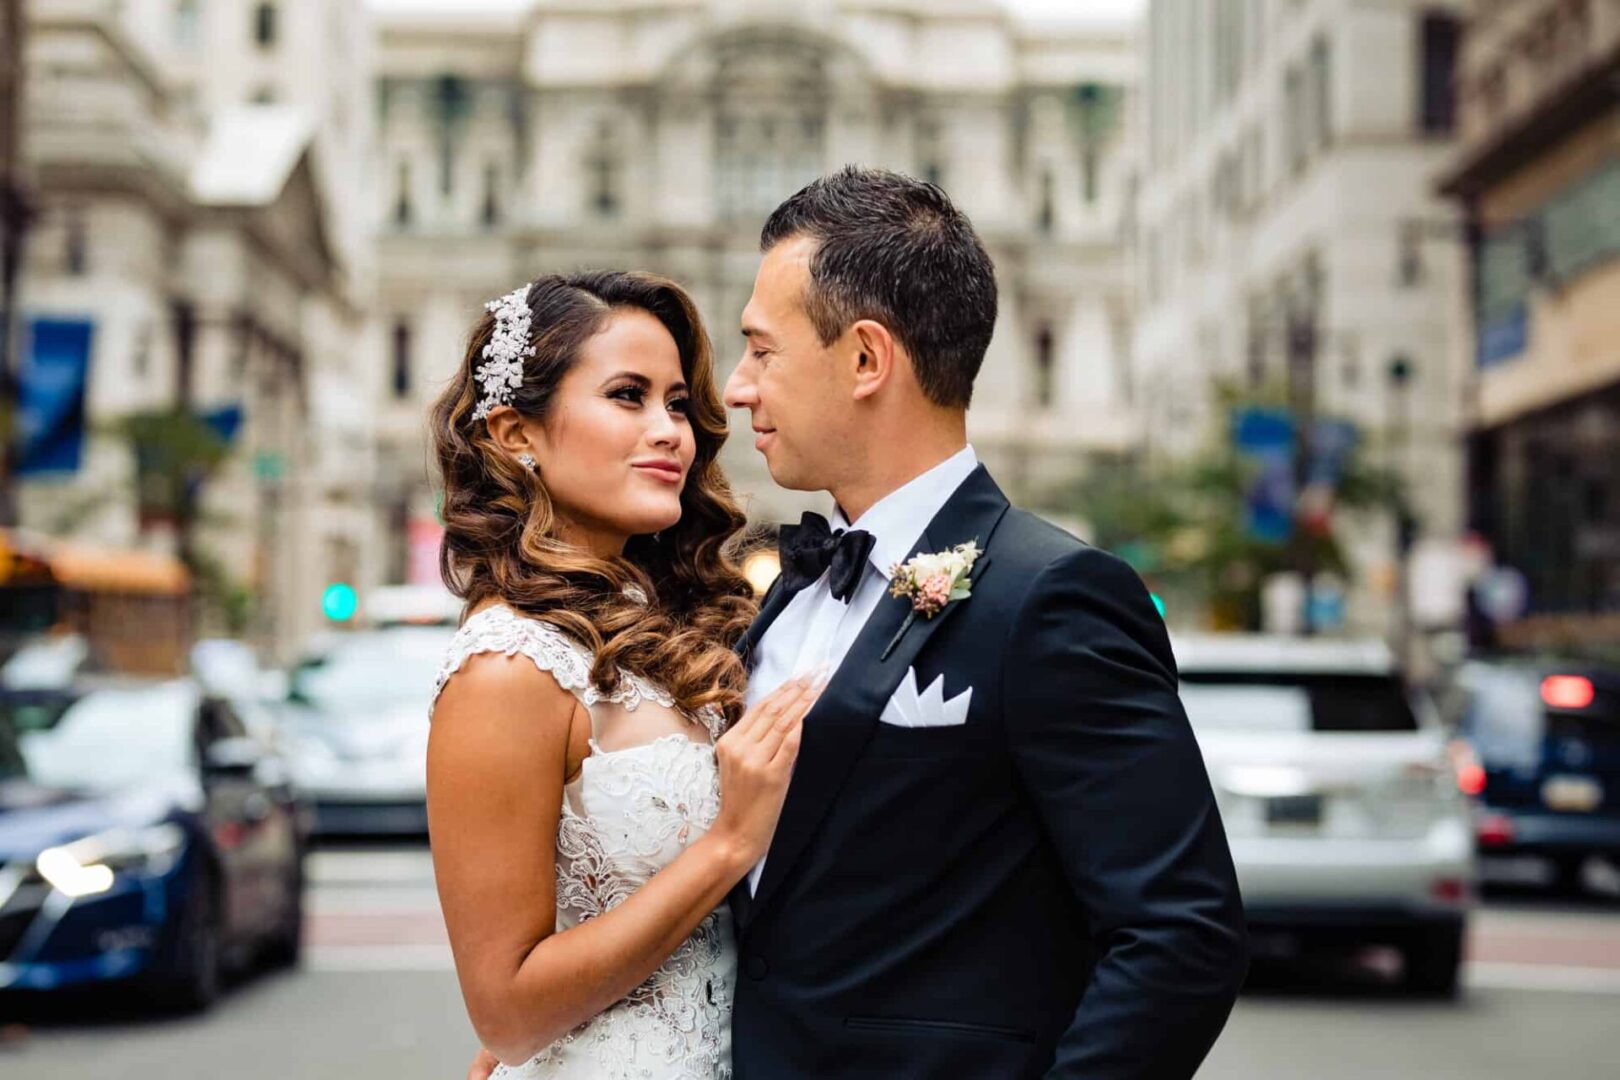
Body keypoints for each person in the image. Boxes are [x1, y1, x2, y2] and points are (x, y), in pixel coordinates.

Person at [467, 167, 1248, 1080]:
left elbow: (1180, 936)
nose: (739, 394)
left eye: (762, 351)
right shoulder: (775, 600)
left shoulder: (1052, 597)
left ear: (867, 360)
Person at [428, 270, 823, 1079]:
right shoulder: (507, 668)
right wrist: (727, 845)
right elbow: (506, 1013)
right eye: (627, 396)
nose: (671, 431)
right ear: (516, 434)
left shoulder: (673, 623)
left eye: (677, 403)